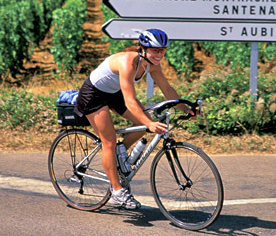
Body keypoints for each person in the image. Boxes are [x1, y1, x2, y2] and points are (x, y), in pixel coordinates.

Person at [74, 29, 193, 209]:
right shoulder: (127, 62)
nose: (160, 54)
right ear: (143, 48)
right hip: (94, 95)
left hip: (115, 93)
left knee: (142, 124)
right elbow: (130, 100)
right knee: (109, 141)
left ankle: (120, 153)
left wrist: (187, 108)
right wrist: (149, 123)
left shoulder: (152, 64)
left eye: (162, 50)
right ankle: (116, 191)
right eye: (155, 50)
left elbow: (167, 90)